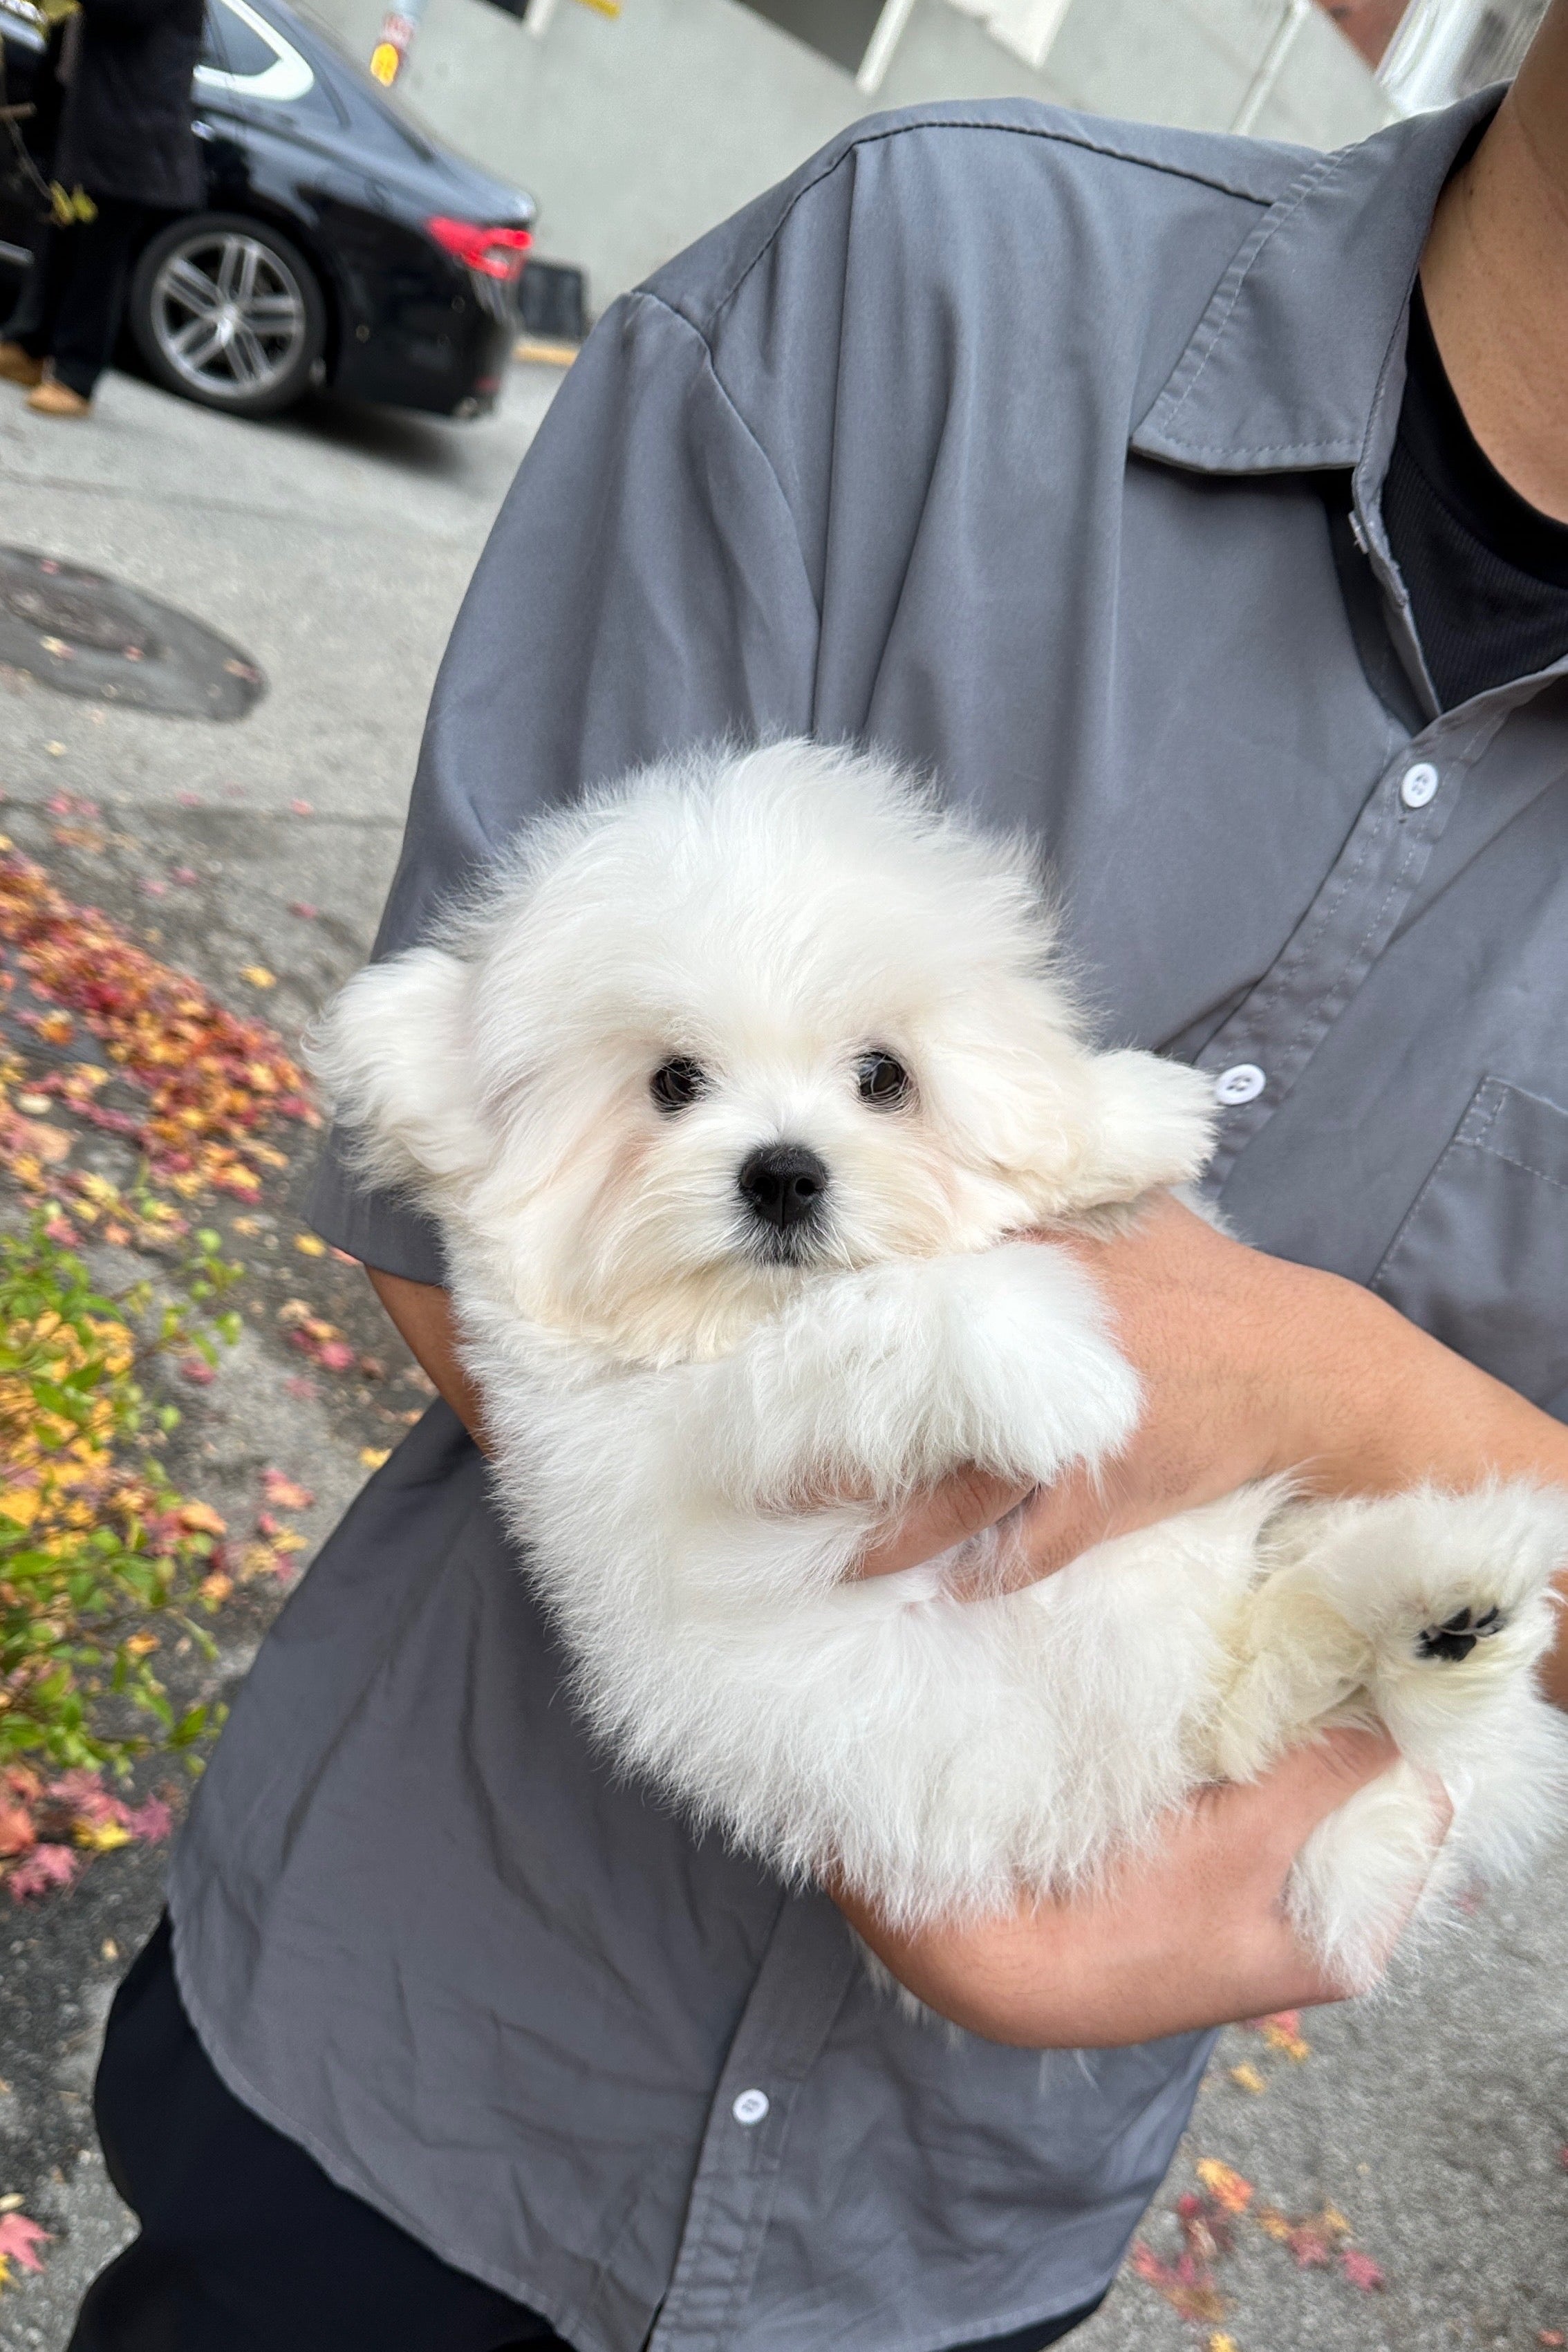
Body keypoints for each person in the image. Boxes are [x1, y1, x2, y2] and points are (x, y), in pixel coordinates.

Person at [70, 9, 1568, 2346]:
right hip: (412, 2052)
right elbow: (470, 1146)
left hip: (942, 2248)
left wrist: (1333, 1396)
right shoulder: (915, 287)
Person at [0, 0, 202, 418]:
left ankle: (76, 376)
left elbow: (125, 11)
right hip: (84, 116)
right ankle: (29, 347)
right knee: (59, 236)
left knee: (99, 258)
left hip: (129, 128)